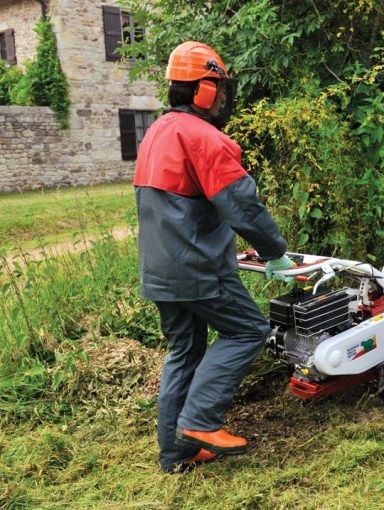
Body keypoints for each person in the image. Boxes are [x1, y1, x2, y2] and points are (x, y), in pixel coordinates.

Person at [133, 41, 295, 473]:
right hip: (198, 269)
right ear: (204, 90)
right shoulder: (203, 137)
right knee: (248, 329)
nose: (222, 98)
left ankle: (176, 453)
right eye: (219, 89)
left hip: (160, 270)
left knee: (185, 351)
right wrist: (275, 253)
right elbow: (242, 206)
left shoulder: (157, 132)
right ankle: (201, 422)